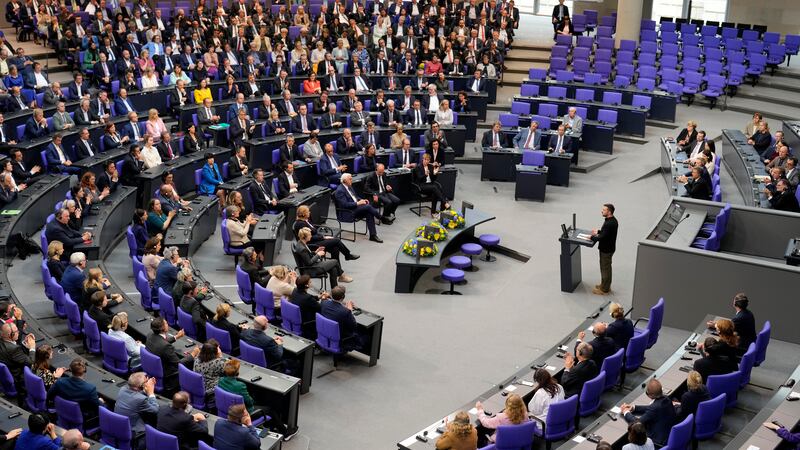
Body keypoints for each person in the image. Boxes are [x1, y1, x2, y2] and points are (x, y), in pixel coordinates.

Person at [218, 359, 291, 438]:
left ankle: (269, 427)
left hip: (228, 411)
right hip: (244, 414)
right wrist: (252, 399)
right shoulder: (240, 385)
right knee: (270, 409)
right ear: (237, 372)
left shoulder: (220, 380)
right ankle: (285, 433)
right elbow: (250, 402)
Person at [145, 317, 200, 396]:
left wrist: (176, 337)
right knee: (190, 365)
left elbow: (160, 342)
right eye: (166, 323)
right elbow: (178, 364)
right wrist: (193, 354)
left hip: (154, 368)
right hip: (169, 375)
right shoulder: (166, 346)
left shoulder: (150, 335)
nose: (167, 324)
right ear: (163, 328)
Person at [47, 359, 102, 427]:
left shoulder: (60, 382)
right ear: (84, 370)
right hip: (82, 419)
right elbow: (99, 407)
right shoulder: (90, 389)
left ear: (70, 370)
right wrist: (100, 401)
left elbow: (49, 395)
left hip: (62, 414)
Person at [621, 379, 676, 447]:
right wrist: (634, 407)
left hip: (657, 442)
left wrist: (626, 412)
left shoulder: (654, 408)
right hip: (669, 436)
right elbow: (652, 408)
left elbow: (637, 423)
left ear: (651, 395)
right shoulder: (666, 399)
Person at [115, 372, 159, 448]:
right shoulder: (141, 399)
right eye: (146, 381)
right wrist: (151, 393)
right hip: (134, 432)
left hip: (119, 426)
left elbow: (135, 394)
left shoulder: (123, 389)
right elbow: (155, 409)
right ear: (142, 385)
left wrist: (145, 390)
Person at [334, 173, 383, 242]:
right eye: (350, 179)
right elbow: (345, 205)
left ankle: (373, 235)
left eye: (351, 178)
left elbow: (355, 197)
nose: (352, 180)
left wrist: (361, 200)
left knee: (369, 212)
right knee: (368, 207)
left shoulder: (349, 186)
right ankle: (381, 217)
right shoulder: (340, 191)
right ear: (344, 180)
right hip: (347, 212)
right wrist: (358, 203)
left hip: (355, 209)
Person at [590, 204, 618, 295]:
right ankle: (604, 285)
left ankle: (604, 289)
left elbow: (602, 237)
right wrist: (598, 232)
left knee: (605, 268)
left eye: (604, 210)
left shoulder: (609, 223)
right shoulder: (612, 220)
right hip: (609, 248)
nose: (602, 211)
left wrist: (591, 237)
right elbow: (606, 233)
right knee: (606, 267)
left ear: (609, 212)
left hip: (606, 250)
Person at [290, 275, 327, 339]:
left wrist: (319, 297)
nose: (311, 283)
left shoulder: (295, 290)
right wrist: (323, 299)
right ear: (306, 285)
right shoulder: (307, 298)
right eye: (310, 282)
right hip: (308, 321)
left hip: (298, 317)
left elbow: (308, 296)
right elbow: (320, 308)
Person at [0, 322, 34, 392]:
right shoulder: (14, 349)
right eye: (16, 331)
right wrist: (32, 347)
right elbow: (30, 361)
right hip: (17, 377)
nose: (18, 332)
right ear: (9, 335)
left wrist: (24, 342)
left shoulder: (3, 341)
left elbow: (14, 347)